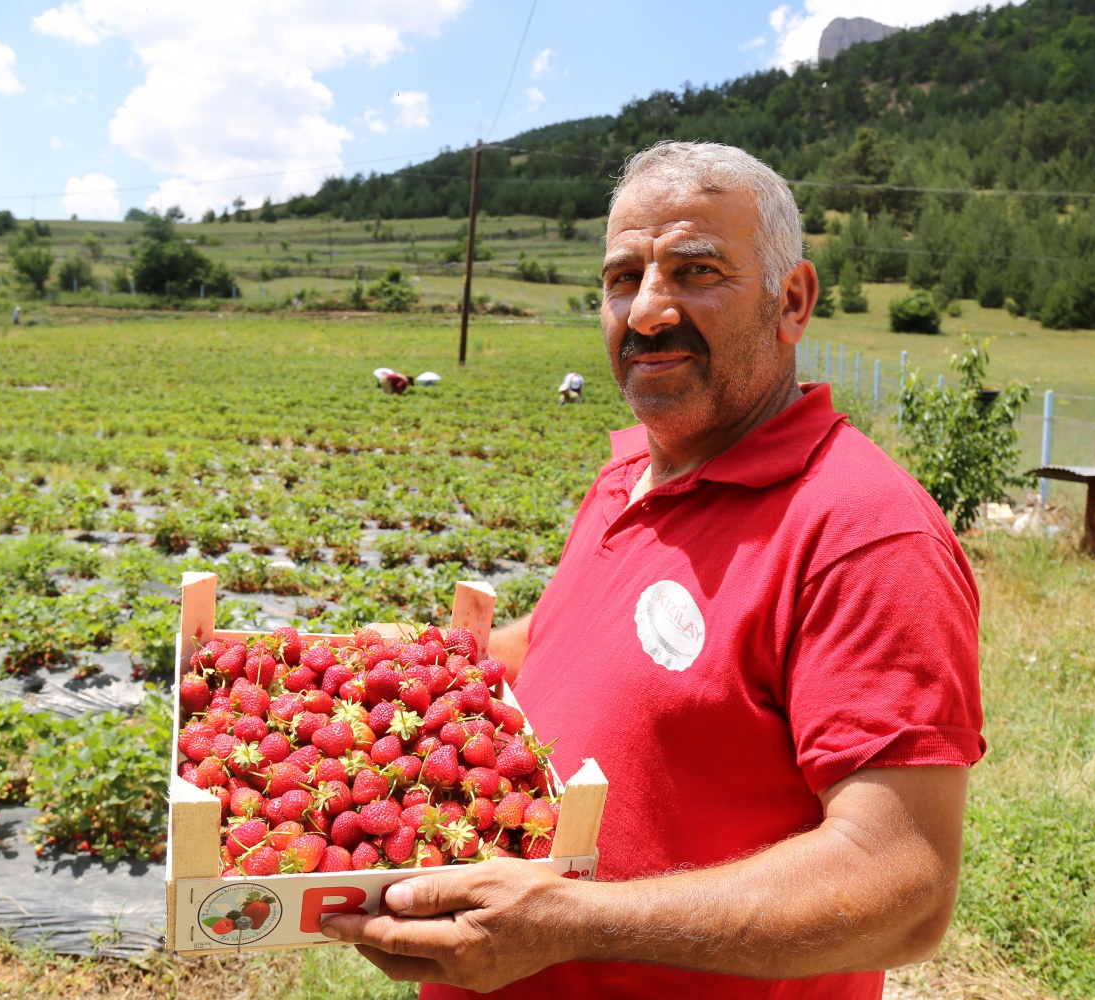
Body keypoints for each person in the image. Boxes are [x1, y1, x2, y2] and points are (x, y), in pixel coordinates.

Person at [323, 141, 984, 999]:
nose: (646, 310)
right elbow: (559, 644)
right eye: (623, 277)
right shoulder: (631, 472)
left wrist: (574, 923)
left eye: (696, 271)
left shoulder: (864, 532)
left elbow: (902, 885)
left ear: (791, 301)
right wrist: (424, 664)